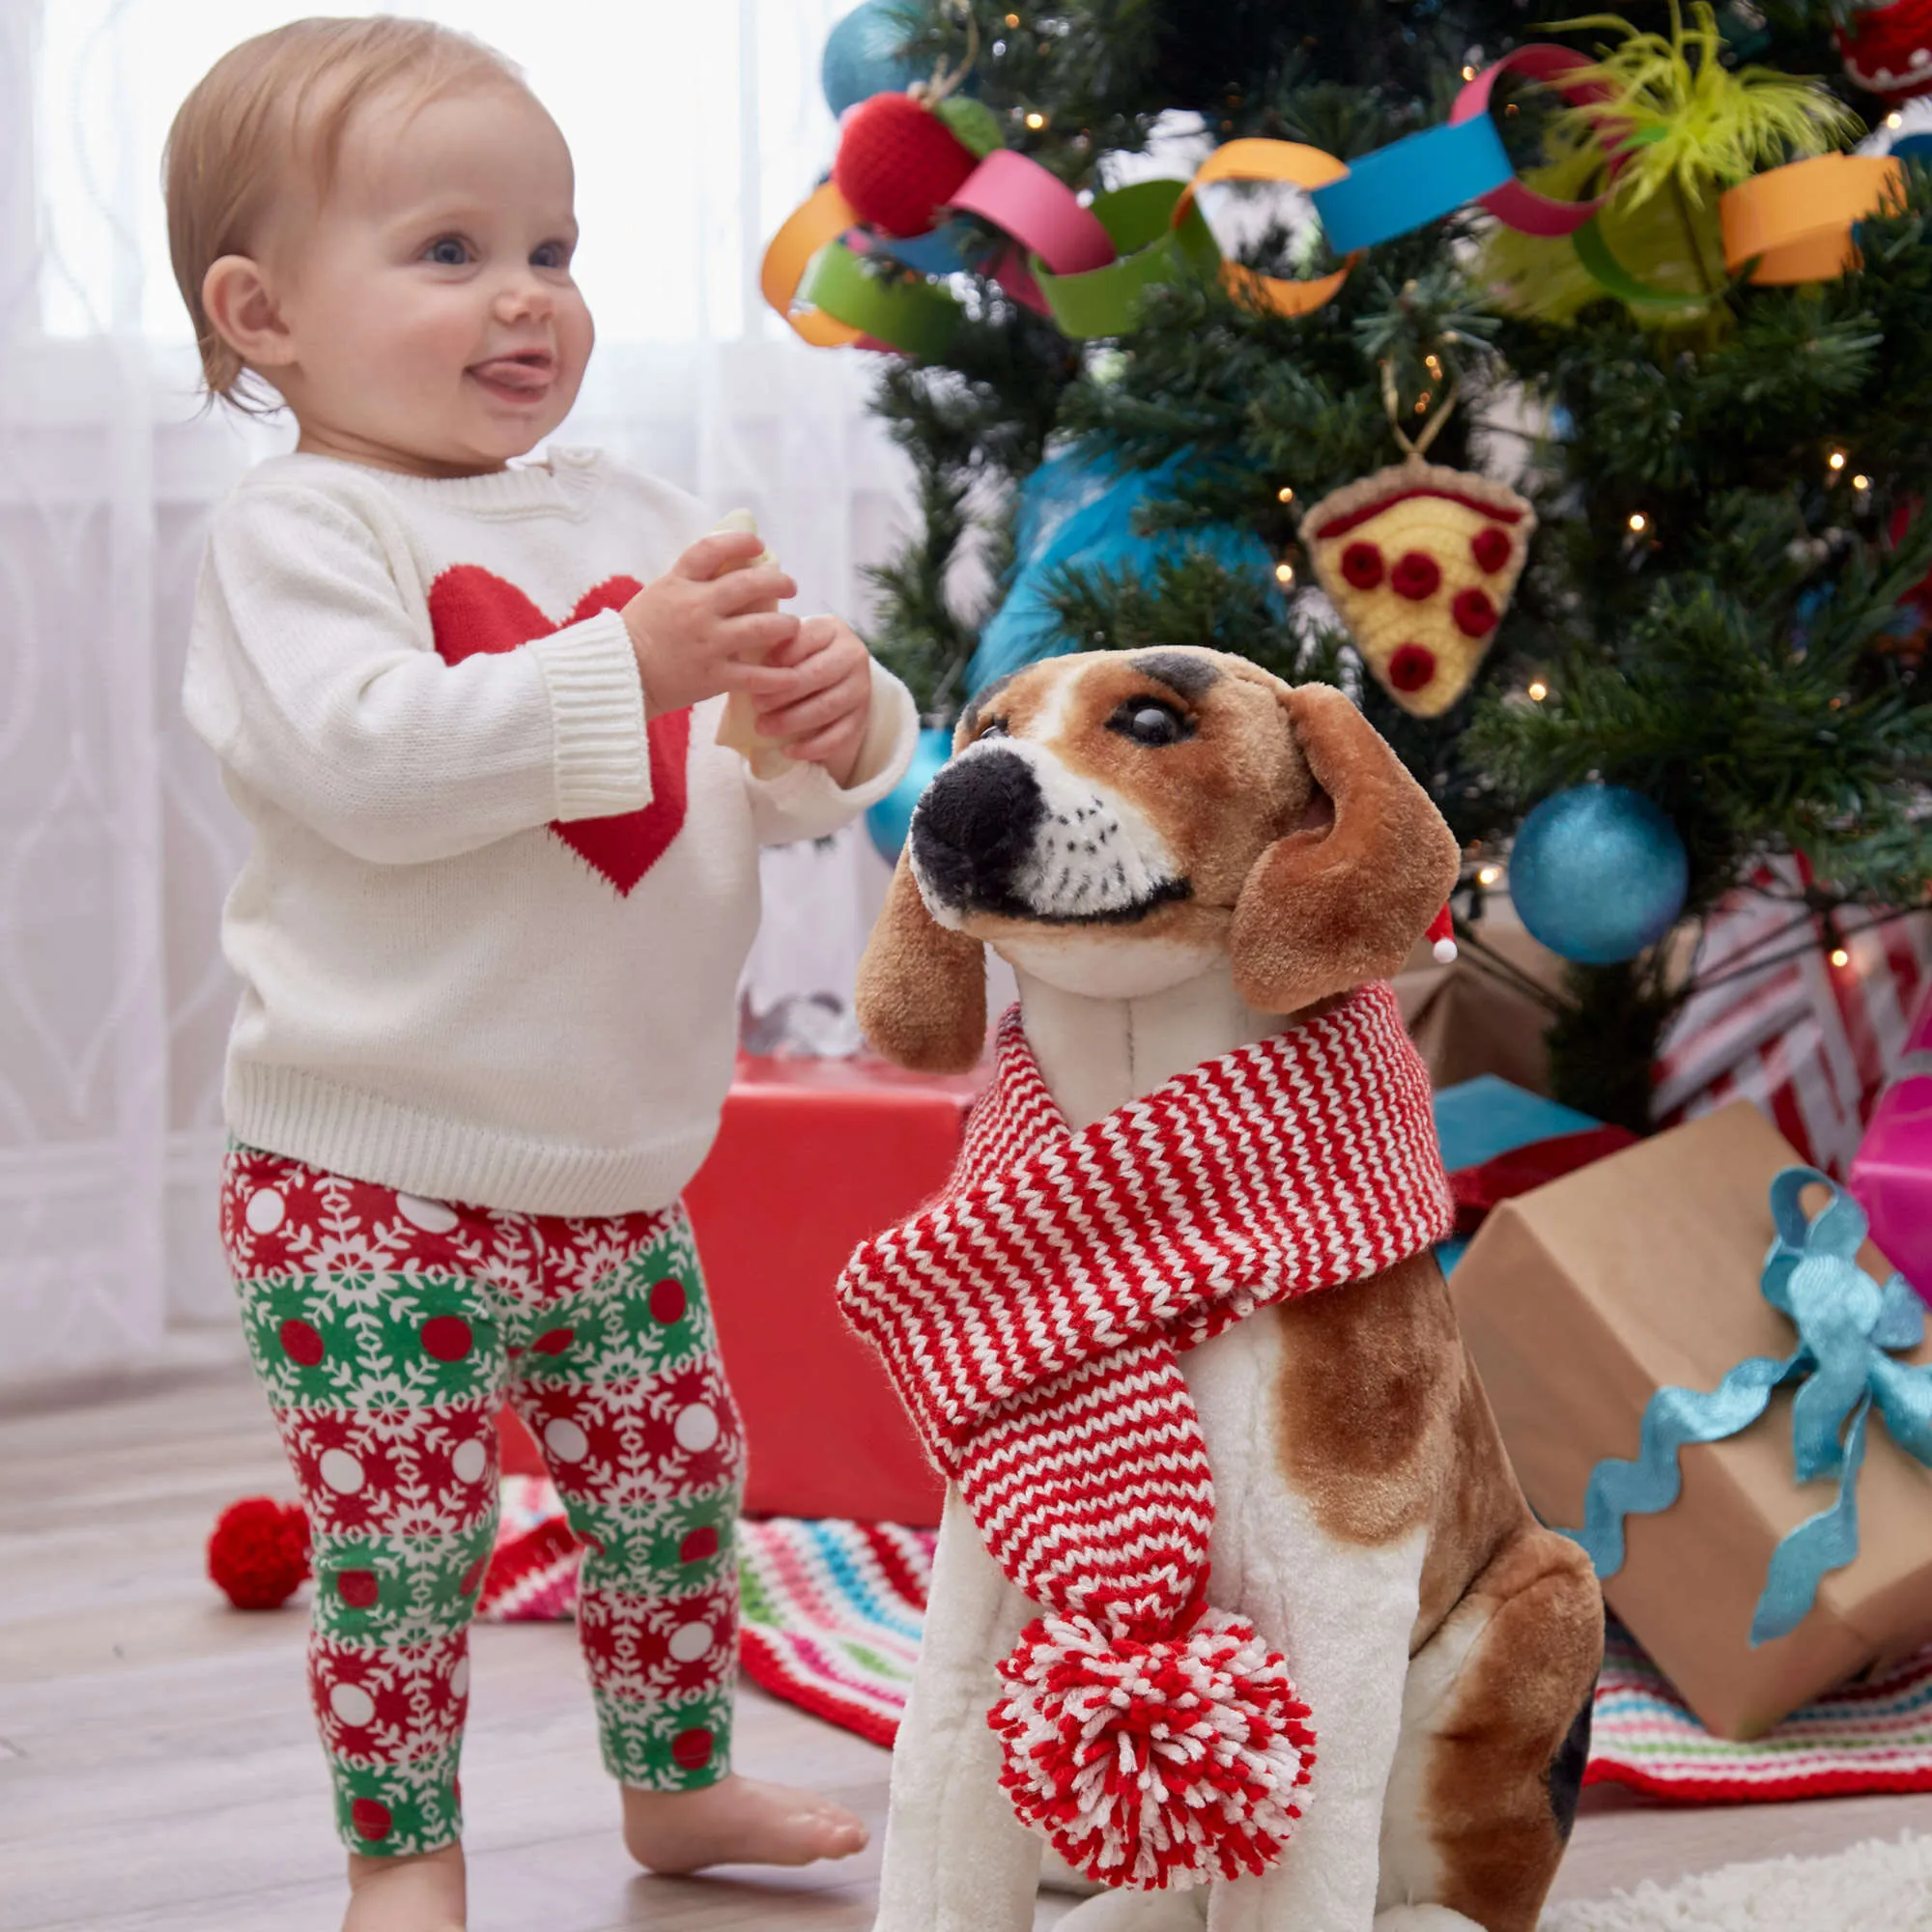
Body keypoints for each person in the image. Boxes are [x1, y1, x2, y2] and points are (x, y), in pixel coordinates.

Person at [165, 18, 914, 1929]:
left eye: (553, 252)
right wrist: (638, 671)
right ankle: (402, 1858)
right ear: (263, 315)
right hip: (370, 1168)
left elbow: (787, 793)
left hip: (608, 1164)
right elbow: (371, 761)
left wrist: (833, 718)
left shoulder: (639, 522)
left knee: (675, 1498)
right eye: (450, 253)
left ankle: (677, 1791)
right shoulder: (298, 529)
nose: (526, 301)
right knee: (401, 1536)